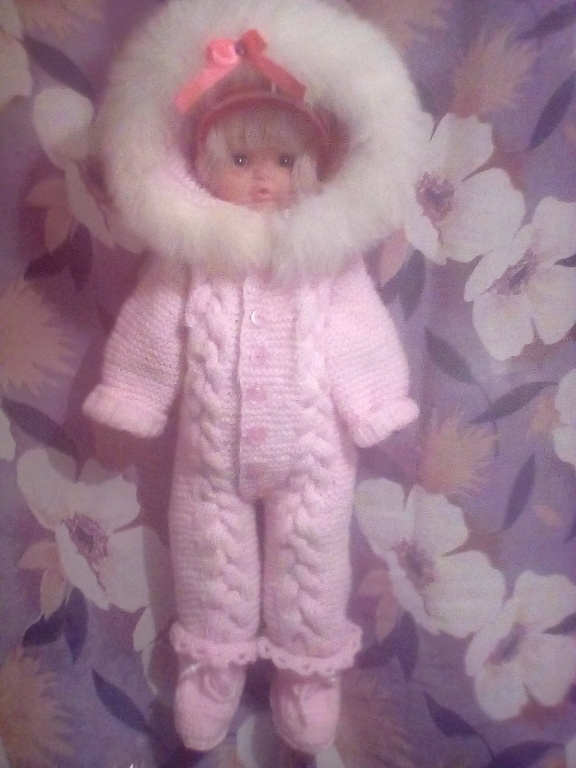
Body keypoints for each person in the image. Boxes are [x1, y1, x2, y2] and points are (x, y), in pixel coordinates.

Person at [84, 0, 424, 754]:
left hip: (315, 454)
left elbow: (360, 330)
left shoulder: (324, 256)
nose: (264, 179)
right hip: (208, 455)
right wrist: (135, 395)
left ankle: (308, 671)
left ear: (313, 169)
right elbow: (152, 327)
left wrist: (374, 401)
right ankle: (213, 665)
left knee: (315, 562)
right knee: (209, 562)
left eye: (283, 162)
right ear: (204, 168)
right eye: (240, 162)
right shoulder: (193, 256)